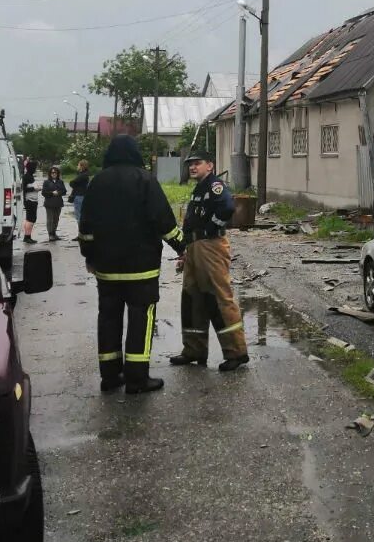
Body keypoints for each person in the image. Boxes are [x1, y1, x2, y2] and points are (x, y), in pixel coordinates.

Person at [79, 135, 185, 395]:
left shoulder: (97, 182)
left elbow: (86, 227)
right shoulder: (145, 179)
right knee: (141, 319)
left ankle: (110, 377)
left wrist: (89, 256)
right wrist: (184, 247)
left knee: (108, 319)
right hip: (141, 268)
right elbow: (164, 221)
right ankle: (137, 379)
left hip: (106, 269)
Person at [170, 150, 249, 372]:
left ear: (210, 166)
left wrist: (210, 227)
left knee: (219, 296)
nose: (193, 167)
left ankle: (236, 352)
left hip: (211, 246)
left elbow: (227, 208)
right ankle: (193, 350)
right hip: (195, 248)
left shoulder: (216, 186)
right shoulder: (198, 189)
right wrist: (186, 249)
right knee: (192, 297)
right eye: (190, 164)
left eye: (197, 163)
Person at [41, 166, 67, 241]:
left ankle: (54, 233)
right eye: (52, 173)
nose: (54, 174)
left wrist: (58, 192)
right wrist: (52, 193)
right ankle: (50, 234)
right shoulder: (46, 182)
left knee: (56, 219)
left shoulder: (60, 182)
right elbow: (43, 193)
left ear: (57, 173)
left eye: (55, 172)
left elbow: (64, 191)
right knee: (50, 219)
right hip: (49, 203)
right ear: (50, 174)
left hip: (58, 203)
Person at [69, 159, 91, 239]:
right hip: (82, 196)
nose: (77, 166)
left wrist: (75, 185)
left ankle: (80, 234)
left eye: (78, 165)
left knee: (79, 216)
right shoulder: (85, 174)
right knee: (81, 216)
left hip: (79, 196)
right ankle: (81, 233)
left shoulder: (82, 175)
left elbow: (72, 182)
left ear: (81, 166)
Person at [22, 158, 40, 244]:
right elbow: (24, 189)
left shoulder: (29, 176)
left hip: (32, 200)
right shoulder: (27, 176)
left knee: (29, 218)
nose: (35, 169)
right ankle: (27, 236)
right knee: (31, 219)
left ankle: (27, 236)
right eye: (35, 168)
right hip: (30, 200)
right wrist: (34, 188)